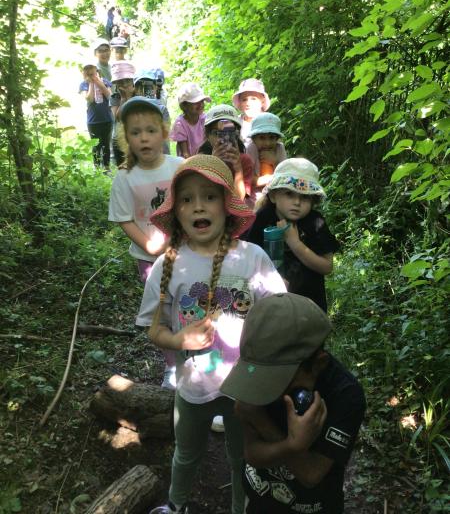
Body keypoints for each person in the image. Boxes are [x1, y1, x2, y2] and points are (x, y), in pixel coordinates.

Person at [138, 154, 287, 514]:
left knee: (241, 457)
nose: (198, 206)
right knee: (186, 453)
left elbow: (278, 313)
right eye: (187, 199)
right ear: (176, 212)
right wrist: (179, 341)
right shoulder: (168, 265)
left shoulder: (252, 258)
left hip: (244, 387)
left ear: (226, 205)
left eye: (209, 196)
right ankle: (177, 505)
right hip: (192, 388)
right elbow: (155, 330)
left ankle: (241, 508)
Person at [221, 292, 366, 514]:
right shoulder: (256, 375)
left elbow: (311, 474)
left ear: (318, 364)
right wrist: (288, 444)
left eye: (278, 380)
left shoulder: (346, 395)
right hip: (259, 499)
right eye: (261, 377)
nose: (265, 388)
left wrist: (288, 442)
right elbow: (251, 454)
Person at [109, 96, 184, 390]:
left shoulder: (179, 167)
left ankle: (196, 357)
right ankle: (172, 365)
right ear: (126, 138)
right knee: (162, 310)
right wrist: (150, 246)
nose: (144, 138)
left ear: (163, 133)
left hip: (186, 253)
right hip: (149, 260)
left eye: (151, 130)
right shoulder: (125, 177)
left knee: (189, 303)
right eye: (136, 132)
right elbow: (124, 219)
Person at [244, 158, 339, 312]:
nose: (297, 202)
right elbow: (248, 257)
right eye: (289, 194)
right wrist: (270, 279)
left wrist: (295, 243)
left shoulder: (315, 222)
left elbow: (327, 266)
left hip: (309, 305)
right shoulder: (263, 218)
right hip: (269, 303)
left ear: (313, 200)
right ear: (273, 196)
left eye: (305, 196)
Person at [198, 104, 255, 208]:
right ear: (208, 136)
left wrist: (238, 169)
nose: (223, 139)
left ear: (237, 134)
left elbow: (239, 199)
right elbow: (203, 195)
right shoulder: (201, 160)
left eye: (229, 132)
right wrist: (213, 164)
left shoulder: (244, 160)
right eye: (217, 133)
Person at [79, 62, 113, 170]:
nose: (91, 76)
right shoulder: (84, 85)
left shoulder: (105, 81)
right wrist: (91, 84)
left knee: (106, 144)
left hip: (107, 118)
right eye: (88, 74)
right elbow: (89, 99)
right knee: (96, 145)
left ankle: (107, 167)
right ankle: (97, 168)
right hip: (93, 120)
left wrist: (99, 83)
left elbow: (109, 95)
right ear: (84, 75)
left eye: (93, 73)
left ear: (97, 72)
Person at [246, 113, 287, 197]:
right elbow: (249, 179)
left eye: (272, 137)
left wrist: (274, 161)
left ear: (277, 138)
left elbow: (286, 175)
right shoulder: (251, 148)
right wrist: (272, 178)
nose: (267, 143)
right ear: (253, 138)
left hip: (277, 193)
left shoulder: (280, 148)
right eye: (262, 138)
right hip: (256, 195)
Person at [134, 69, 170, 154]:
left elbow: (164, 138)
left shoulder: (162, 109)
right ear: (135, 89)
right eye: (140, 85)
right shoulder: (132, 110)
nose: (145, 89)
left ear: (155, 87)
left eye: (149, 85)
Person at [170, 83, 211, 158]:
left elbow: (208, 143)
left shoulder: (205, 119)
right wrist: (193, 163)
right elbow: (185, 153)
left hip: (203, 158)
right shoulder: (180, 124)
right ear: (184, 106)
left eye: (202, 101)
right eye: (196, 102)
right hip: (187, 161)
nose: (201, 105)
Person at [109, 60, 136, 167]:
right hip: (119, 139)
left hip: (135, 136)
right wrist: (125, 98)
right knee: (123, 168)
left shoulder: (138, 94)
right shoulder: (114, 97)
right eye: (120, 81)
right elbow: (118, 117)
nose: (124, 84)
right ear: (116, 83)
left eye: (127, 80)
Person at [232, 78, 270, 145]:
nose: (248, 103)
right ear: (240, 103)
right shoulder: (235, 123)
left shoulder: (269, 121)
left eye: (253, 99)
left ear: (262, 101)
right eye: (244, 100)